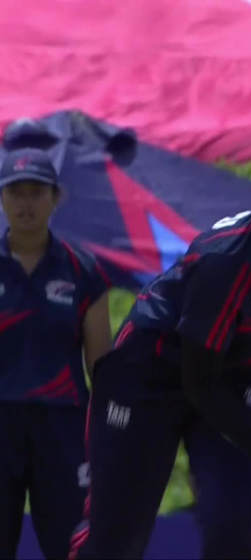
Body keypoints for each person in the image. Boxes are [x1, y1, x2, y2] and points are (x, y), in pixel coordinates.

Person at [71, 138, 251, 560]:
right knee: (116, 539)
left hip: (236, 378)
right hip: (150, 376)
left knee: (234, 525)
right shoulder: (230, 258)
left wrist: (222, 458)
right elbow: (198, 379)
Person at [0, 148, 112, 559]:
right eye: (15, 192)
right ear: (1, 199)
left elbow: (102, 366)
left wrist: (109, 436)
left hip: (63, 429)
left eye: (35, 192)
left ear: (56, 197)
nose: (25, 203)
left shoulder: (82, 270)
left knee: (71, 548)